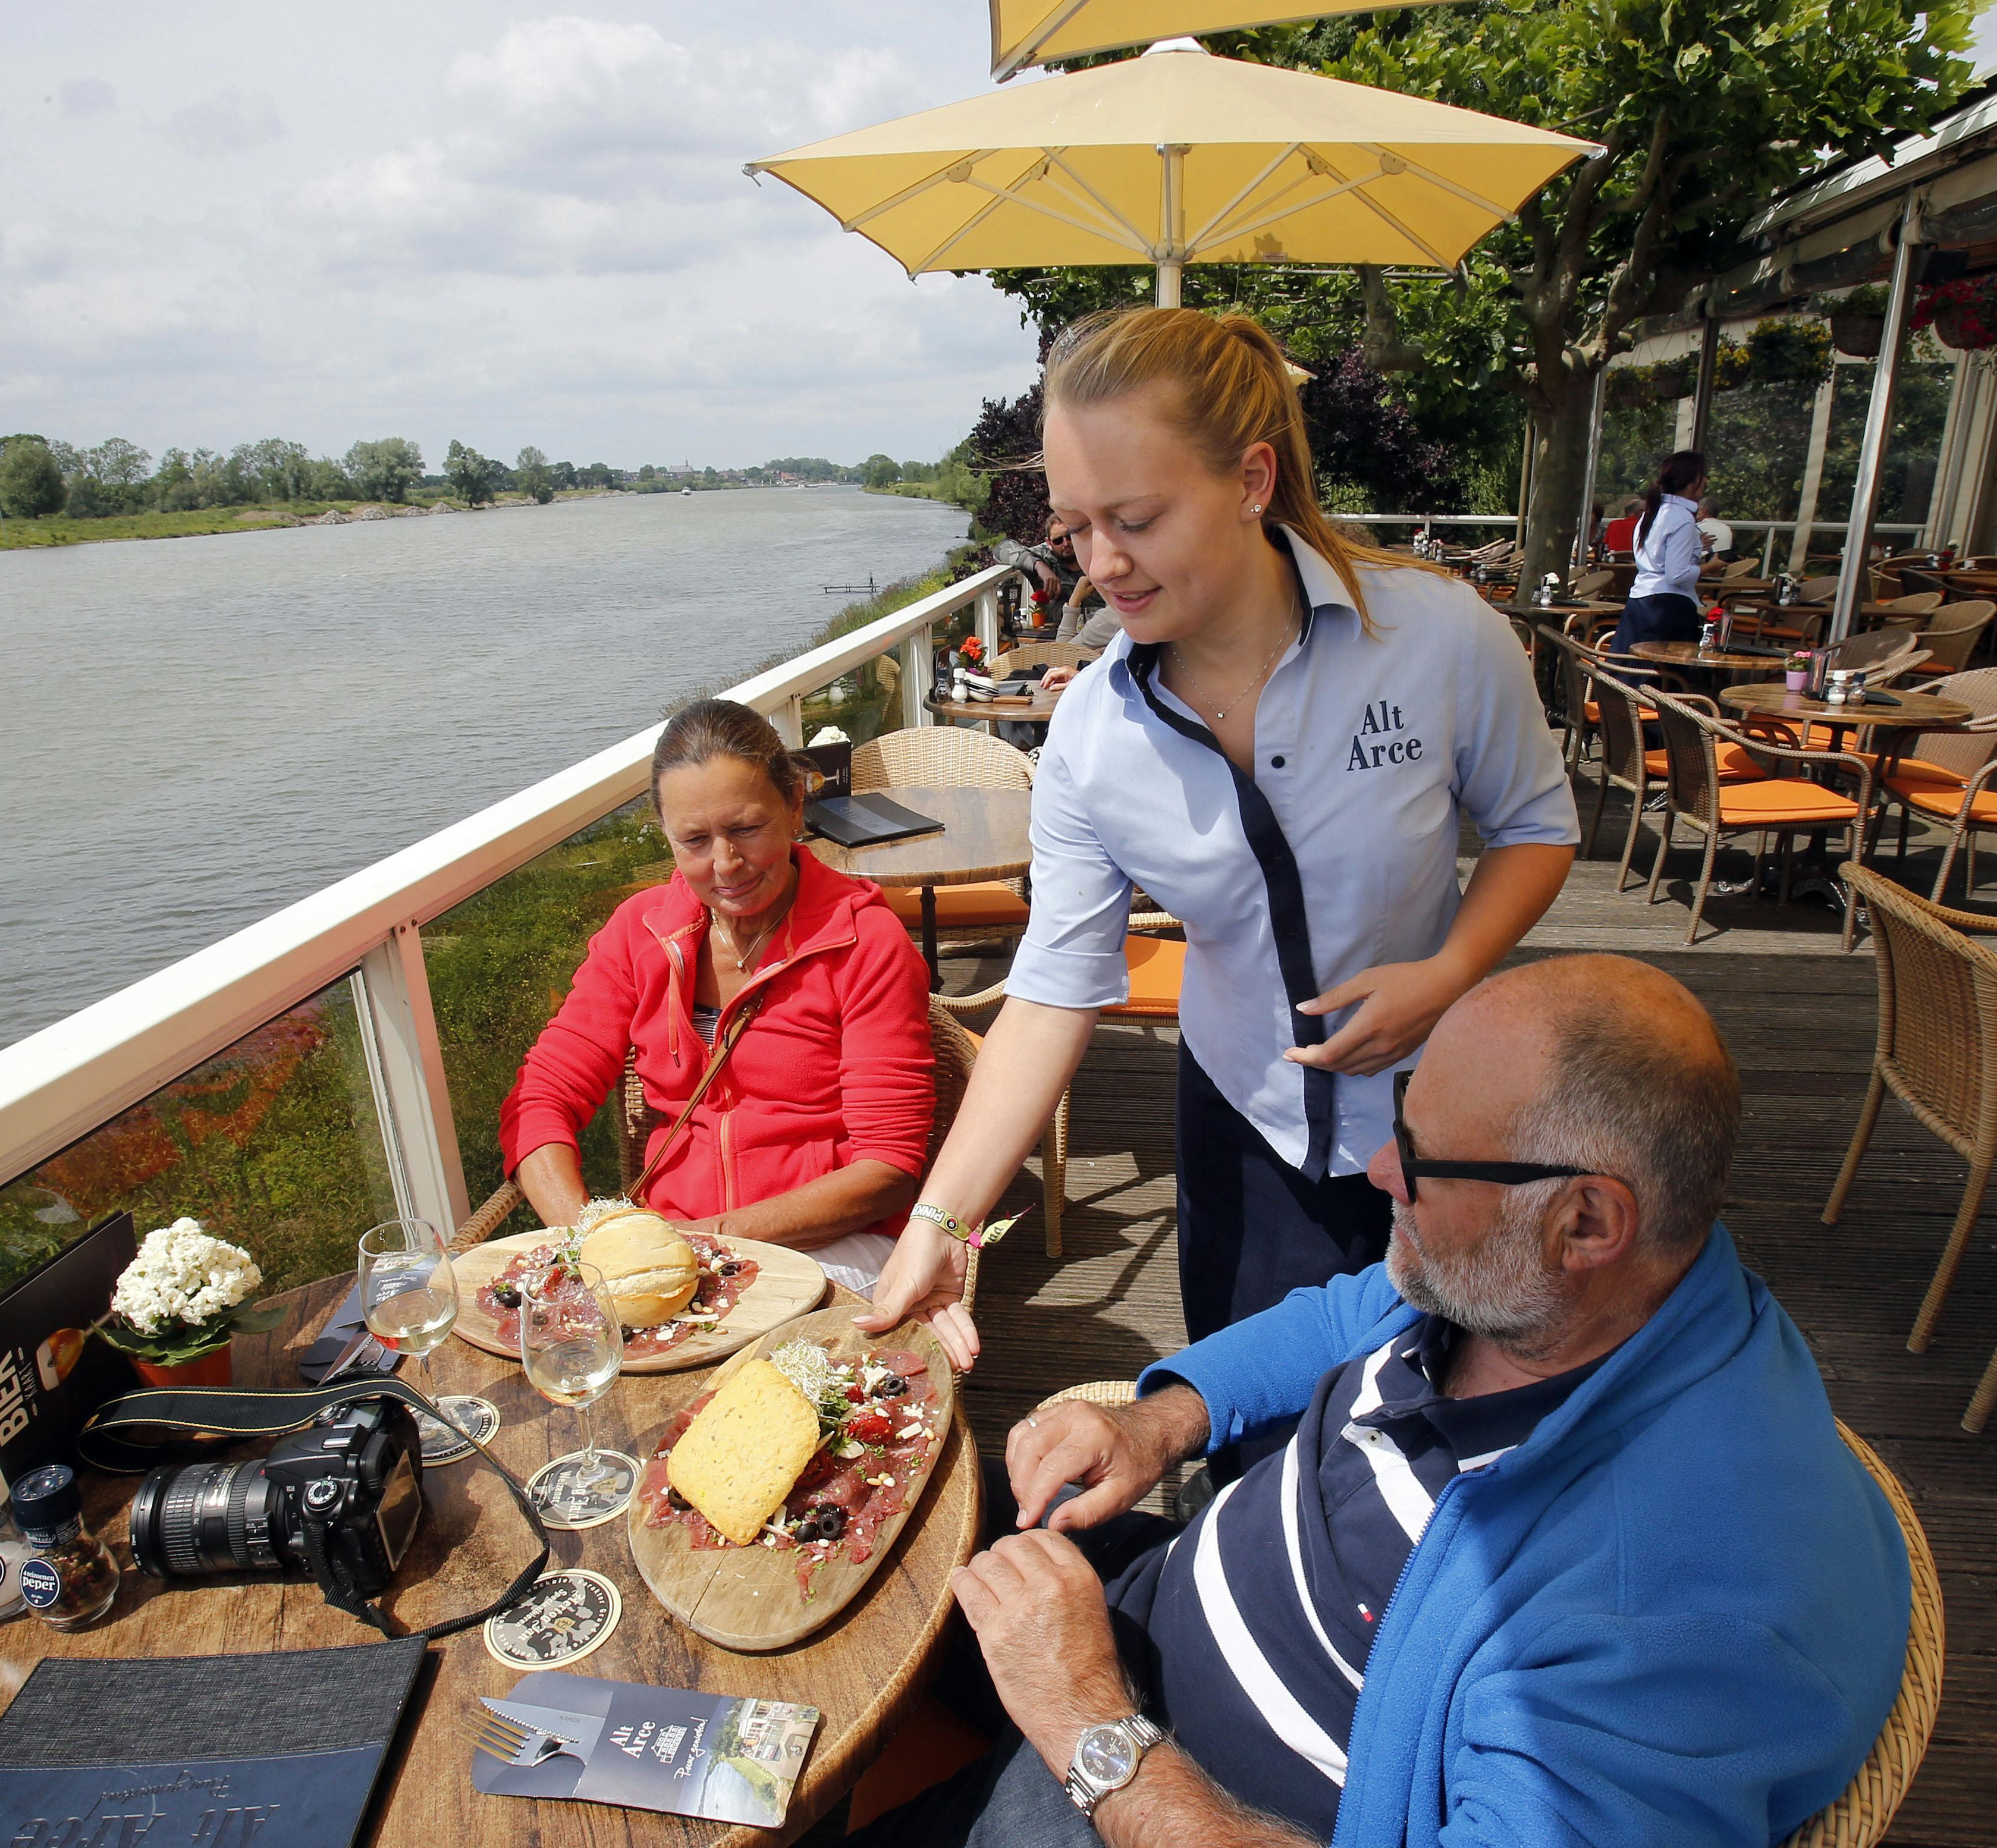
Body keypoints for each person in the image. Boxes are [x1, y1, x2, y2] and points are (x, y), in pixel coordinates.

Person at [538, 955, 1913, 1848]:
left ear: (1589, 1216)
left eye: (1418, 1160)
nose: (1378, 1173)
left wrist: (1091, 1728)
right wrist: (1158, 1417)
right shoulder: (1557, 1283)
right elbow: (1345, 1307)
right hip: (1132, 1604)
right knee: (743, 1632)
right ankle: (641, 1822)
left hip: (1183, 1828)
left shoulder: (1667, 1601)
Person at [869, 304, 1580, 1359]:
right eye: (1072, 527)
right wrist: (941, 1221)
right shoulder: (1091, 733)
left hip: (1443, 1117)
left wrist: (1447, 971)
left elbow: (1533, 825)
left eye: (1137, 518)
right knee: (1248, 1416)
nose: (1099, 564)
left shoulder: (1434, 636)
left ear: (1249, 482)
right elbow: (1054, 982)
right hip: (1243, 1123)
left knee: (1444, 1408)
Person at [502, 699, 934, 1294]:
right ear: (666, 834)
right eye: (695, 840)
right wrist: (588, 1241)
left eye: (746, 829)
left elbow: (887, 1168)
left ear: (795, 806)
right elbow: (542, 1098)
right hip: (673, 1246)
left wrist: (704, 1243)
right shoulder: (639, 932)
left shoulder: (864, 941)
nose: (726, 864)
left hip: (831, 1245)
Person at [1609, 450, 1710, 657]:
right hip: (1667, 607)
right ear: (1691, 483)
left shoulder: (1654, 511)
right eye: (1703, 475)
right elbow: (1677, 575)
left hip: (1640, 599)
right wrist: (1709, 568)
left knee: (1629, 669)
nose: (1707, 481)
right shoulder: (1682, 517)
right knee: (1665, 677)